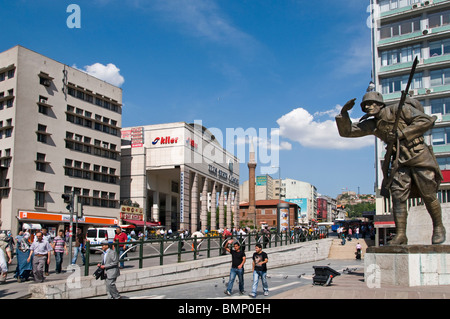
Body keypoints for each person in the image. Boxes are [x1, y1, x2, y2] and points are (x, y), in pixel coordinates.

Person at [336, 92, 446, 245]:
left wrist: (402, 133)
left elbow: (425, 121)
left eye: (371, 103)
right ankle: (401, 234)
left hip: (418, 153)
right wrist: (343, 114)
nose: (367, 107)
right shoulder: (373, 123)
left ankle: (439, 227)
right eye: (365, 105)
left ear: (380, 104)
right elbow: (348, 132)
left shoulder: (399, 109)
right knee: (398, 197)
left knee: (428, 194)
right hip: (399, 160)